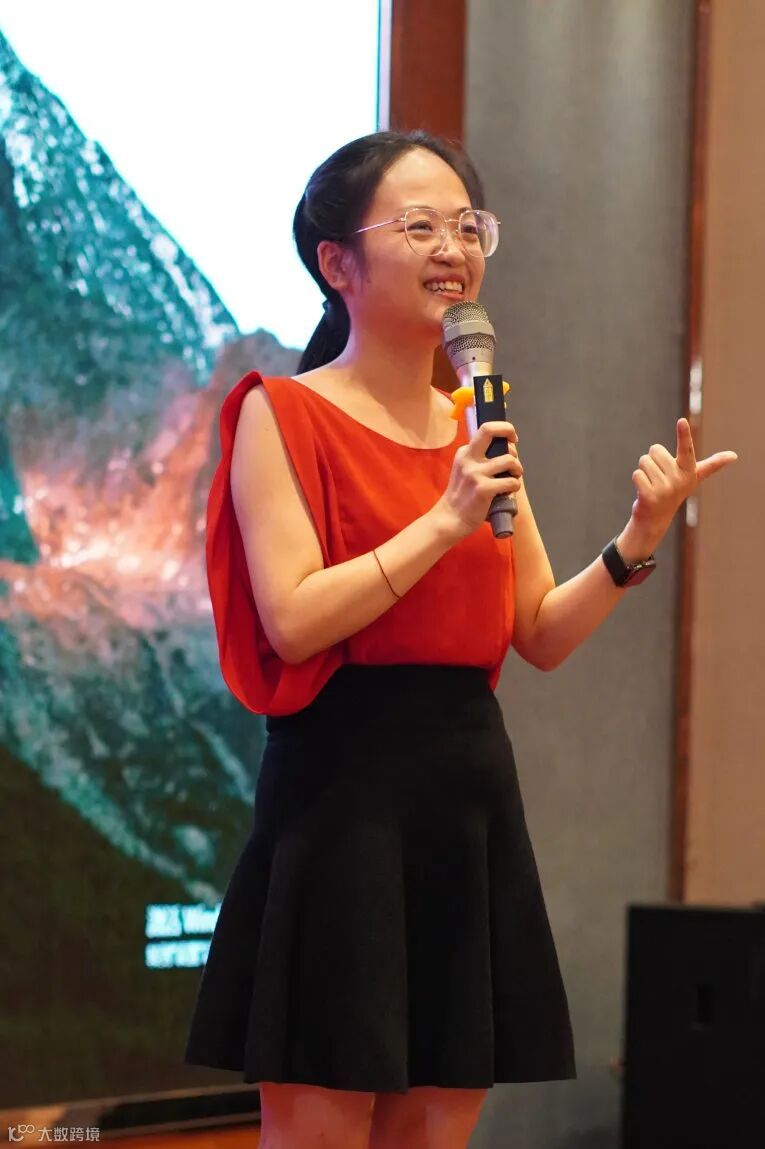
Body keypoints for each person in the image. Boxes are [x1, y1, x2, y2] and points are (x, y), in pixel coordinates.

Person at [183, 130, 738, 1149]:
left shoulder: (475, 423)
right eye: (419, 226)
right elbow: (293, 618)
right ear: (336, 263)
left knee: (435, 1129)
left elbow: (538, 632)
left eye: (467, 226)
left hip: (466, 805)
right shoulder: (282, 415)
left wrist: (634, 542)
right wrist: (442, 521)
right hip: (342, 802)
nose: (453, 248)